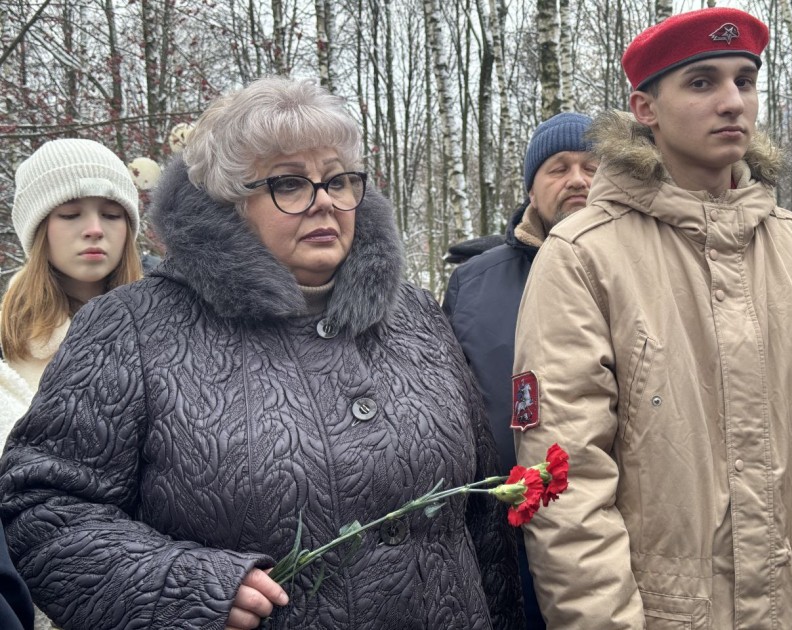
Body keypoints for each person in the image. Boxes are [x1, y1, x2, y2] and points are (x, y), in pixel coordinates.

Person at [0, 76, 523, 630]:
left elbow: (483, 514)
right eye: (289, 184)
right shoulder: (130, 327)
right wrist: (185, 585)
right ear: (229, 203)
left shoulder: (415, 316)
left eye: (339, 180)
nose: (324, 201)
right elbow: (43, 510)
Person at [514, 7, 792, 628]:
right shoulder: (585, 257)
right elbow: (566, 486)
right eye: (701, 82)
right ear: (645, 109)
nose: (732, 102)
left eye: (744, 80)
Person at [443, 112, 596, 628]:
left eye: (592, 167)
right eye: (559, 167)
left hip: (616, 533)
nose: (578, 179)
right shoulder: (474, 285)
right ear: (531, 186)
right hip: (510, 534)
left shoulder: (649, 271)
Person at [0, 138, 144, 446]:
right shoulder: (6, 341)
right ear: (39, 230)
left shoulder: (169, 327)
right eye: (70, 213)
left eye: (111, 214)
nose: (94, 228)